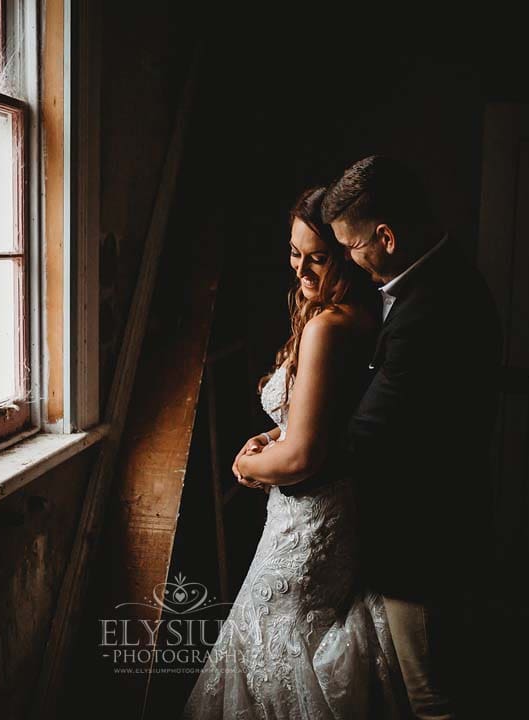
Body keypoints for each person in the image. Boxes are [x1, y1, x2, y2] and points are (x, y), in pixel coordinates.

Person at [181, 187, 411, 720]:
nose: (302, 271)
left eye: (318, 257)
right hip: (339, 510)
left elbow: (304, 456)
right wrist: (275, 437)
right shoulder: (363, 312)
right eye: (294, 253)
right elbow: (328, 421)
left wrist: (246, 464)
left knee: (273, 645)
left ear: (347, 254)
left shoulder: (329, 327)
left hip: (307, 522)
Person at [321, 155, 503, 720]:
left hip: (423, 542)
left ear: (387, 236)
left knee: (432, 700)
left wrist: (289, 453)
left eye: (352, 246)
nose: (349, 260)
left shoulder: (435, 307)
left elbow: (370, 433)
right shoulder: (441, 279)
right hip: (426, 529)